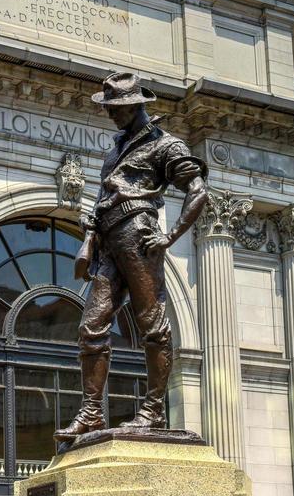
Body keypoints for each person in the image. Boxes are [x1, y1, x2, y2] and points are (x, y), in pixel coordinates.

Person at [55, 72, 209, 441]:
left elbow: (198, 191)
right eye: (108, 107)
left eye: (117, 108)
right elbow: (100, 201)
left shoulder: (166, 146)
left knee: (151, 325)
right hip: (108, 243)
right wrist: (88, 241)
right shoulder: (116, 149)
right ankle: (91, 413)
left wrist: (170, 237)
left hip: (139, 235)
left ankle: (153, 411)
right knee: (91, 326)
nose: (111, 114)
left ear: (137, 105)